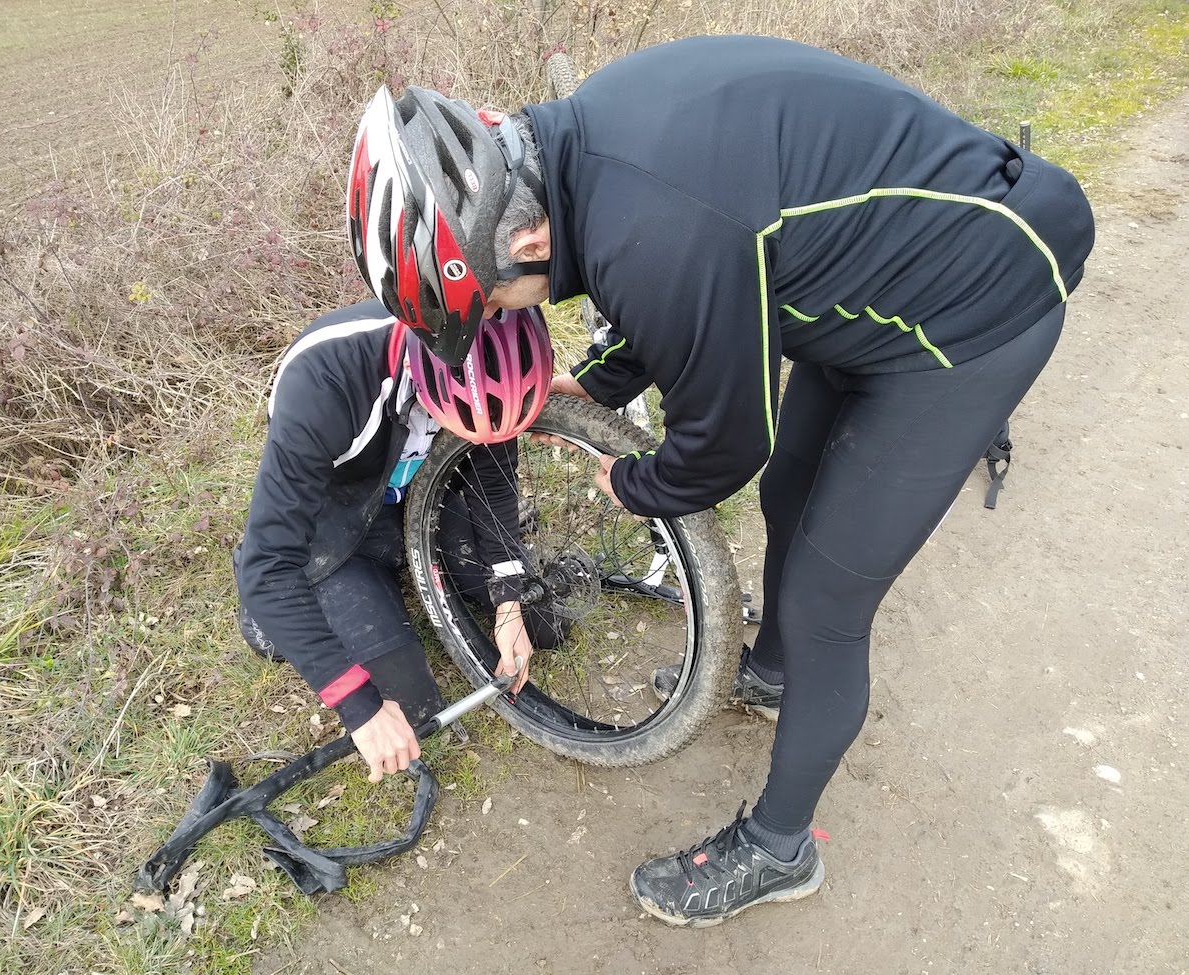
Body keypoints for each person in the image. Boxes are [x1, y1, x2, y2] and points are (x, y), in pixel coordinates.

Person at [346, 34, 1095, 926]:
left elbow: (728, 442)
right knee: (791, 494)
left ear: (529, 239)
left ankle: (779, 848)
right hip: (876, 274)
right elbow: (699, 287)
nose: (505, 316)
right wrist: (605, 378)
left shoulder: (651, 224)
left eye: (494, 301)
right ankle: (772, 670)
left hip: (975, 304)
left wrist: (638, 484)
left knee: (826, 603)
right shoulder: (590, 148)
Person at [234, 300, 559, 785]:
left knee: (546, 624)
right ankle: (300, 593)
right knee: (411, 708)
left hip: (419, 501)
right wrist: (357, 706)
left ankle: (416, 562)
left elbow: (494, 480)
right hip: (336, 525)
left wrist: (509, 600)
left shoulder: (494, 359)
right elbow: (268, 568)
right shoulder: (322, 382)